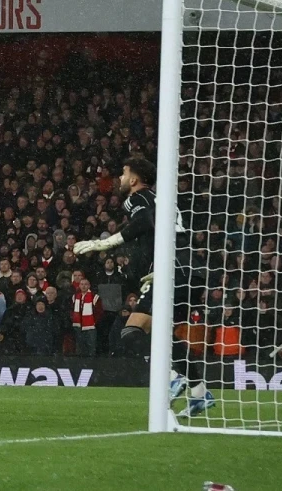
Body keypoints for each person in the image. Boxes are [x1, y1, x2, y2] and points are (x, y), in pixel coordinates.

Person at [73, 157, 213, 417]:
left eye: (124, 173)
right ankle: (198, 392)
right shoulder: (159, 199)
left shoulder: (138, 198)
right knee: (162, 336)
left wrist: (103, 243)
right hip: (189, 269)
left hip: (173, 269)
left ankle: (172, 377)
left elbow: (146, 221)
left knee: (131, 332)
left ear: (135, 179)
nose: (121, 178)